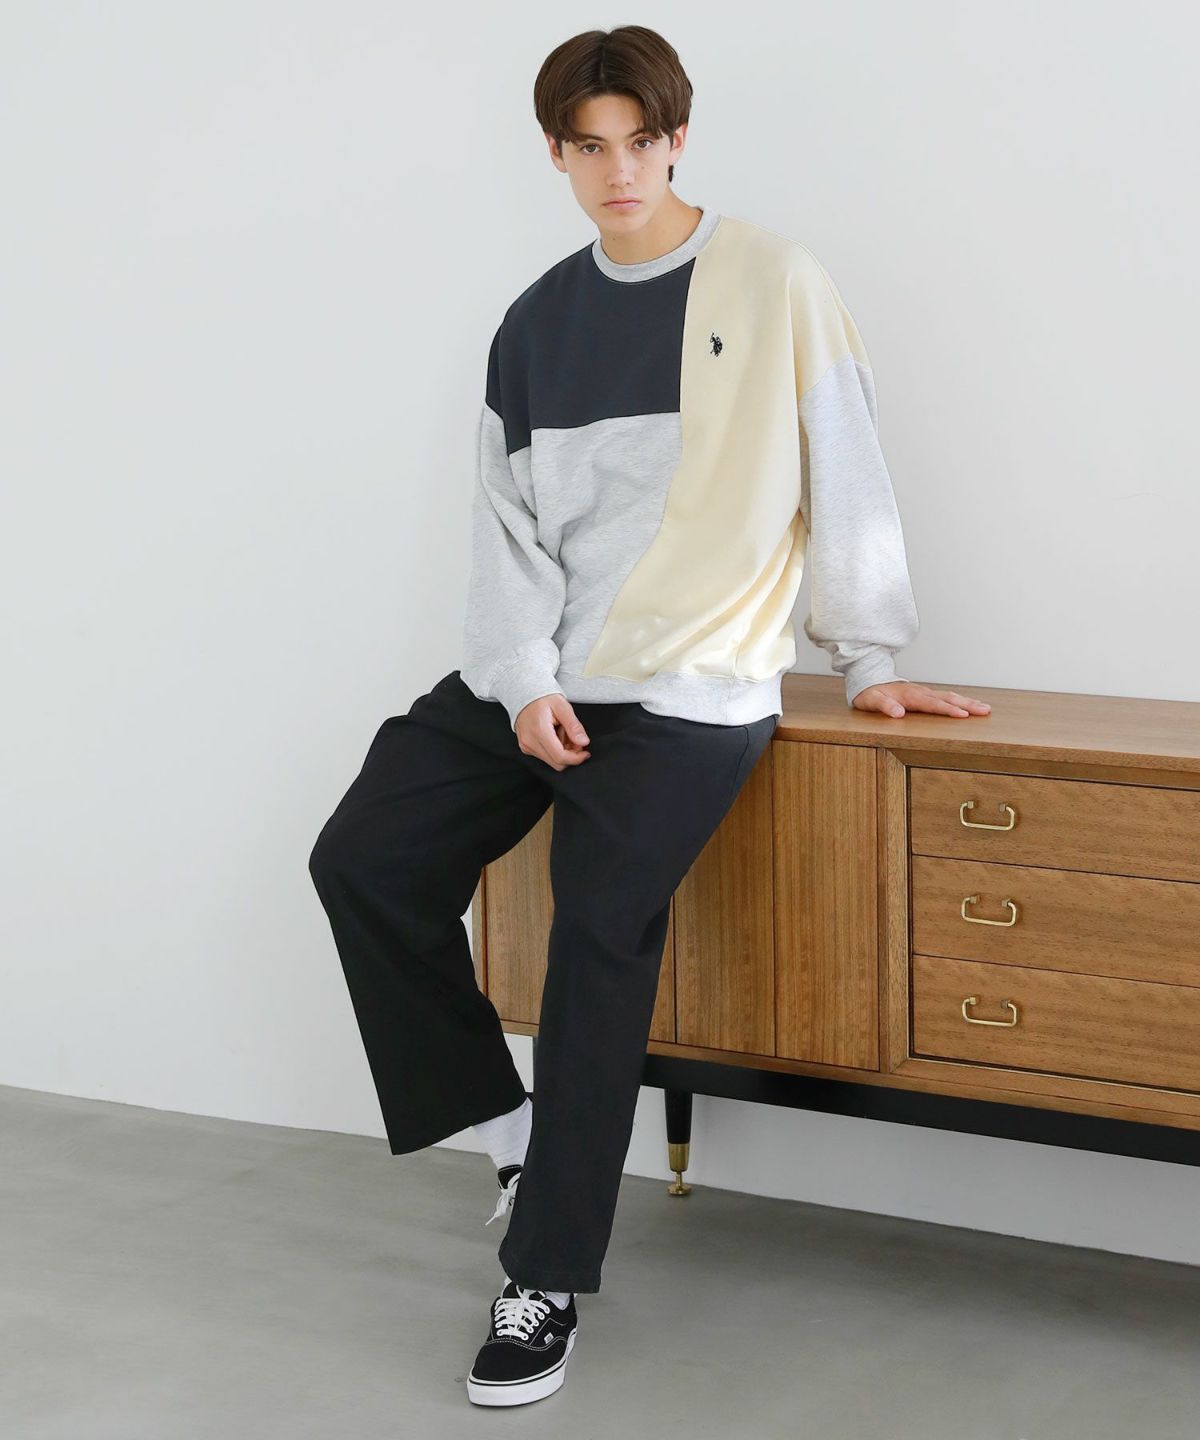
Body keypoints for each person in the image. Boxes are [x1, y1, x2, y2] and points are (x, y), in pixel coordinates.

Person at [307, 23, 991, 1409]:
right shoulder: (534, 323)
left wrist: (868, 657)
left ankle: (545, 1277)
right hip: (549, 673)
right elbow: (504, 535)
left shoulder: (774, 280)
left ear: (679, 139)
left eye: (641, 142)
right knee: (364, 855)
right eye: (589, 147)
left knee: (599, 916)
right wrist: (525, 683)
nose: (619, 172)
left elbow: (846, 469)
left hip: (692, 688)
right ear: (555, 156)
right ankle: (507, 1130)